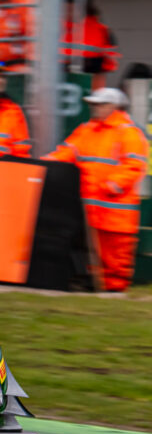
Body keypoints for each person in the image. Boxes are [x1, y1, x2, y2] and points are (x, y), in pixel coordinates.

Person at [42, 88, 148, 292]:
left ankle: (114, 294)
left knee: (115, 257)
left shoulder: (128, 132)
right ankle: (98, 290)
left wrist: (112, 186)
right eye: (93, 104)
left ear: (114, 106)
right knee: (93, 256)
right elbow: (67, 152)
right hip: (92, 210)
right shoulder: (87, 130)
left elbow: (133, 165)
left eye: (99, 104)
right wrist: (45, 164)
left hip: (116, 212)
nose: (94, 108)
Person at [61, 0, 119, 91]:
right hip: (60, 84)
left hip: (91, 85)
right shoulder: (54, 30)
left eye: (73, 9)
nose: (69, 12)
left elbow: (109, 63)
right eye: (66, 9)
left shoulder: (101, 30)